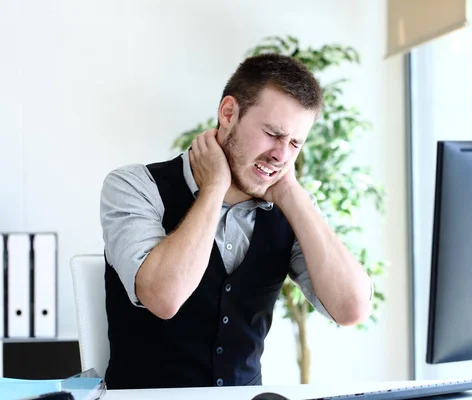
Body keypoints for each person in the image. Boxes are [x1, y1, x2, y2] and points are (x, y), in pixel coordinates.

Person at [100, 53, 373, 390]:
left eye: (295, 143)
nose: (281, 155)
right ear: (228, 113)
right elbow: (164, 298)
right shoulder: (133, 186)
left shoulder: (291, 206)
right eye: (274, 134)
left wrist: (292, 194)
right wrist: (214, 188)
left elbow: (352, 310)